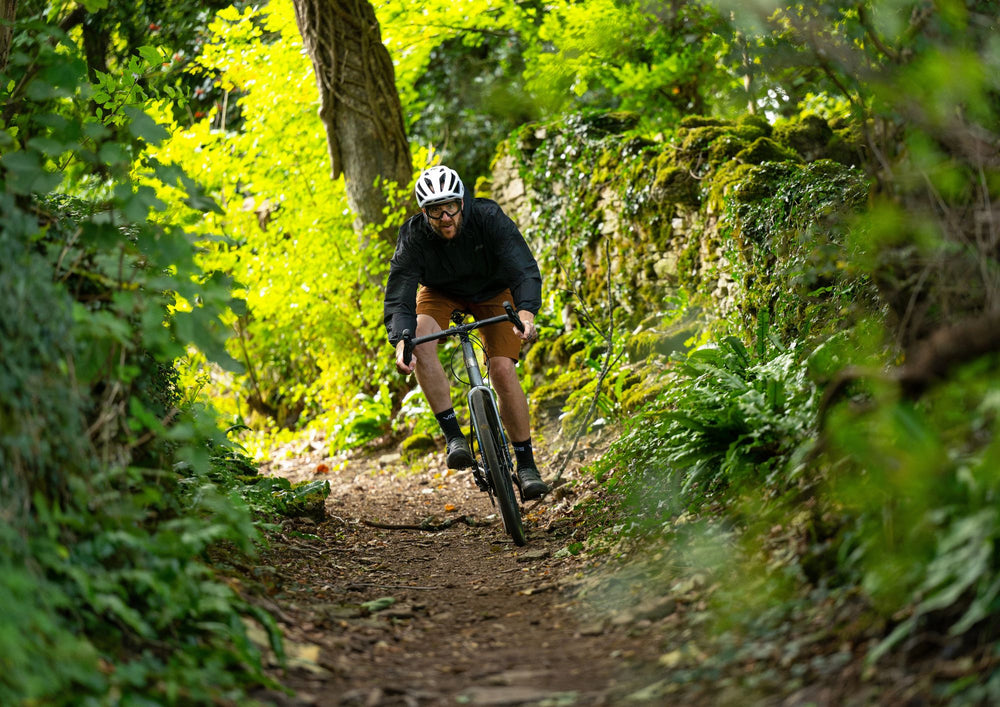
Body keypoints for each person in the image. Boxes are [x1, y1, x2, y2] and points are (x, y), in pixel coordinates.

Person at [383, 165, 550, 501]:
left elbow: (522, 267)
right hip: (440, 292)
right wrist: (401, 338)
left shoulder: (488, 217)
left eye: (451, 207)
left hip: (493, 291)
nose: (445, 217)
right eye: (434, 210)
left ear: (462, 202)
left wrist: (526, 312)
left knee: (502, 370)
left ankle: (527, 465)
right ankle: (454, 436)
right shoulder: (414, 236)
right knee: (419, 343)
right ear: (424, 212)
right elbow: (400, 292)